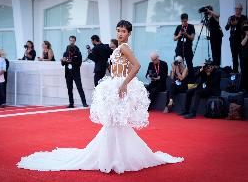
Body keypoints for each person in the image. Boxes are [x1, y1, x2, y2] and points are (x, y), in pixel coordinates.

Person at [17, 20, 183, 173]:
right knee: (115, 122)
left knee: (115, 122)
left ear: (129, 33)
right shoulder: (119, 48)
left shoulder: (124, 48)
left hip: (119, 86)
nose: (120, 34)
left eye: (123, 31)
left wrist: (124, 83)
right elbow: (119, 67)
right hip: (114, 85)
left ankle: (114, 158)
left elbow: (137, 66)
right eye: (118, 30)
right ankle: (115, 157)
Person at [225, 3, 247, 72]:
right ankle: (235, 73)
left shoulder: (244, 18)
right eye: (236, 8)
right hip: (233, 41)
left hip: (241, 41)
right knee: (234, 58)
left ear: (241, 10)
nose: (237, 10)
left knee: (242, 58)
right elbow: (226, 28)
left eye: (239, 9)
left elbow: (245, 29)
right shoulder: (231, 18)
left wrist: (238, 24)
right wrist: (229, 24)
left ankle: (243, 75)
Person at [174, 13, 195, 80]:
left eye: (185, 21)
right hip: (179, 48)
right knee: (178, 64)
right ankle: (179, 80)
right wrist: (179, 35)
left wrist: (186, 34)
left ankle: (191, 81)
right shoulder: (178, 27)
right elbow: (174, 38)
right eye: (182, 21)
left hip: (188, 49)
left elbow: (192, 38)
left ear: (187, 20)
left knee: (189, 65)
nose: (183, 23)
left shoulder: (191, 27)